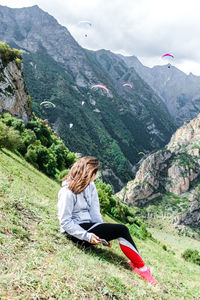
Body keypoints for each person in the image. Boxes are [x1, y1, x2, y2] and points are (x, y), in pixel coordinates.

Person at [57, 156, 158, 285]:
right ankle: (143, 270)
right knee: (122, 229)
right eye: (95, 173)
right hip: (73, 234)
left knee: (119, 230)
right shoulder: (67, 192)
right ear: (88, 173)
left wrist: (104, 233)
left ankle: (137, 264)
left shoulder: (91, 186)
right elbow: (65, 222)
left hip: (88, 228)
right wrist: (87, 236)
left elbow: (95, 212)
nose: (96, 176)